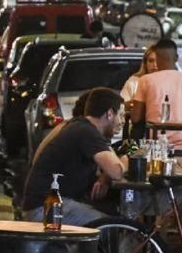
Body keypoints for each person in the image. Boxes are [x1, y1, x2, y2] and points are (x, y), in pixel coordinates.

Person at [21, 88, 126, 225]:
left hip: (48, 204)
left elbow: (119, 156)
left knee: (111, 212)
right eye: (121, 115)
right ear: (110, 114)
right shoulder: (86, 132)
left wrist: (104, 177)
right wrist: (125, 160)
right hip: (46, 208)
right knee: (112, 226)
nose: (123, 121)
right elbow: (117, 171)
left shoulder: (80, 127)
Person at [130, 39, 182, 153]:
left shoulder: (146, 80)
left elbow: (136, 117)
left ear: (157, 59)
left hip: (155, 145)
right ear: (177, 57)